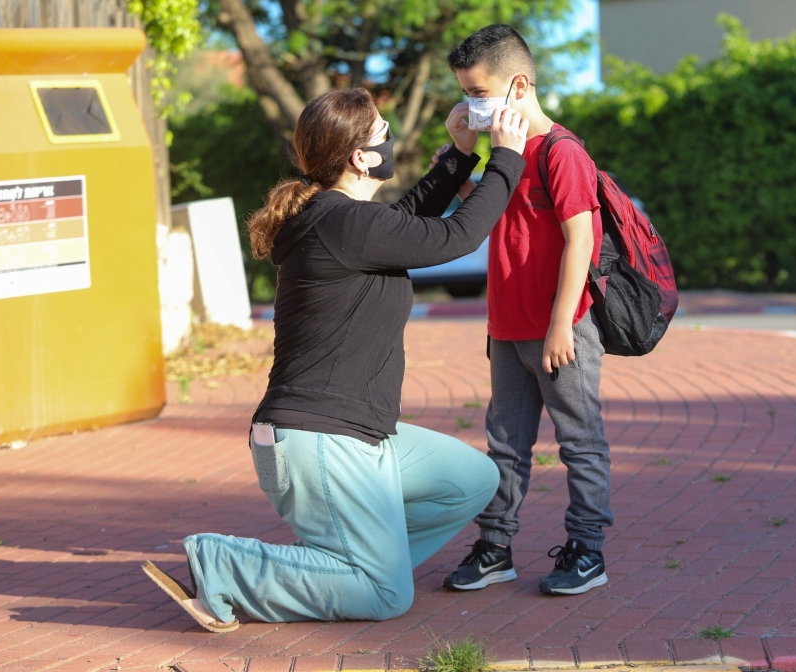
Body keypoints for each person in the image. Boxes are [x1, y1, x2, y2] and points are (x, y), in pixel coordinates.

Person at [141, 87, 528, 631]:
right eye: (383, 133)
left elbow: (411, 219)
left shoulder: (338, 219)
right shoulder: (343, 223)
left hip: (348, 434)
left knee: (471, 480)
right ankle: (229, 563)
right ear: (360, 158)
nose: (392, 137)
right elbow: (457, 236)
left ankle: (343, 569)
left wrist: (463, 156)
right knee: (388, 597)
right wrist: (506, 158)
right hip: (318, 439)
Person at [442, 25, 613, 596]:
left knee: (579, 441)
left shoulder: (562, 153)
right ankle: (495, 548)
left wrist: (562, 322)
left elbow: (580, 241)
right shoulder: (504, 153)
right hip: (507, 327)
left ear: (518, 85)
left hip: (558, 330)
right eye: (466, 93)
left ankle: (587, 550)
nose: (473, 104)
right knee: (505, 446)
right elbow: (476, 211)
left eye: (478, 92)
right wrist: (460, 153)